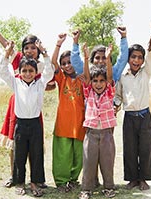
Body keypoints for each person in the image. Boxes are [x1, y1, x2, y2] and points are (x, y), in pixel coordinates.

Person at [0, 17, 48, 189]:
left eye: (33, 48)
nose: (30, 51)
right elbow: (6, 45)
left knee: (35, 146)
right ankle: (14, 176)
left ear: (38, 50)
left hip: (33, 109)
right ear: (23, 50)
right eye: (27, 48)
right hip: (17, 107)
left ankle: (36, 179)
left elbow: (49, 81)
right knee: (15, 143)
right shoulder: (18, 61)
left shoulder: (42, 66)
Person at [71, 26, 128, 187]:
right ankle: (92, 180)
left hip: (107, 121)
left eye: (104, 58)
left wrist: (123, 38)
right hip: (91, 121)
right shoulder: (88, 77)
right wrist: (75, 43)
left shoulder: (113, 74)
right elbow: (76, 61)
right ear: (92, 60)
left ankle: (107, 182)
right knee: (91, 152)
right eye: (97, 58)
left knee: (106, 153)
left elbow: (123, 58)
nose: (101, 61)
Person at [0, 39, 54, 197]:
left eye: (31, 71)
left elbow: (49, 71)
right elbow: (3, 71)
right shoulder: (15, 83)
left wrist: (44, 52)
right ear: (19, 72)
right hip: (20, 124)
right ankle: (20, 182)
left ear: (36, 72)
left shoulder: (40, 83)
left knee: (36, 154)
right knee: (19, 154)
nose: (28, 74)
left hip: (35, 124)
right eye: (24, 71)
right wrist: (7, 53)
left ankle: (35, 183)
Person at [114, 21, 151, 191]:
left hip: (144, 116)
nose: (137, 60)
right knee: (130, 148)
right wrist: (115, 106)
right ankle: (132, 179)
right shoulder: (122, 77)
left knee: (145, 148)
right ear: (128, 59)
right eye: (133, 56)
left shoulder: (145, 72)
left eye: (140, 57)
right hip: (130, 118)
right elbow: (118, 96)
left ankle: (143, 179)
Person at [79, 42, 117, 199]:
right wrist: (87, 58)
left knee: (107, 162)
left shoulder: (109, 93)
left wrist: (107, 59)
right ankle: (86, 189)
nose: (99, 84)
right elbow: (87, 77)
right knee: (89, 162)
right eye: (95, 81)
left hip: (107, 134)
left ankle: (109, 187)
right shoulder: (89, 93)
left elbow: (109, 78)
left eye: (101, 81)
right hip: (91, 134)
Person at [51, 33, 86, 193]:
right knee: (62, 155)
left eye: (70, 62)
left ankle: (73, 180)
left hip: (80, 124)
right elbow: (53, 63)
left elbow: (88, 73)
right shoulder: (61, 79)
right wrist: (58, 45)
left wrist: (76, 43)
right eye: (64, 63)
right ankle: (61, 182)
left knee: (78, 156)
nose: (67, 65)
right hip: (63, 124)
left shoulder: (82, 79)